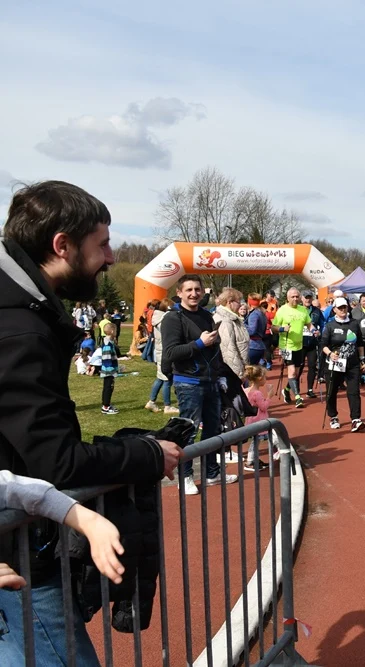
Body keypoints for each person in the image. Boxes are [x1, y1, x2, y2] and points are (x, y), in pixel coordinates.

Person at [0, 180, 182, 666]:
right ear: (62, 245)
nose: (110, 257)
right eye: (102, 244)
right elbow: (56, 461)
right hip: (22, 561)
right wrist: (147, 453)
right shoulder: (20, 331)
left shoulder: (24, 312)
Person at [162, 274, 237, 495]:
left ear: (203, 292)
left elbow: (214, 347)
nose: (194, 294)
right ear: (179, 293)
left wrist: (220, 374)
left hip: (211, 380)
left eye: (197, 289)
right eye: (189, 290)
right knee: (190, 431)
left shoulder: (206, 315)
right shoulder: (173, 318)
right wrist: (199, 343)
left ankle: (211, 472)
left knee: (213, 429)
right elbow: (170, 353)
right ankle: (185, 476)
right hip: (188, 382)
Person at [321, 297, 365, 432]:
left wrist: (362, 359)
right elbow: (323, 345)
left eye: (344, 307)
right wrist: (330, 354)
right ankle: (333, 416)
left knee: (354, 391)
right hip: (335, 363)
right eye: (340, 308)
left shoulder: (354, 323)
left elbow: (360, 343)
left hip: (352, 363)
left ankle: (356, 419)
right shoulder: (330, 326)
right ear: (334, 309)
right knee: (331, 391)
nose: (342, 310)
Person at [272, 288, 312, 408]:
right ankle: (298, 397)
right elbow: (273, 327)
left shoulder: (302, 309)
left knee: (297, 372)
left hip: (299, 345)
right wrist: (282, 329)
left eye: (297, 296)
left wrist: (314, 330)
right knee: (292, 371)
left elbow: (309, 324)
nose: (295, 299)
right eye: (292, 297)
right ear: (288, 298)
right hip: (286, 345)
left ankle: (286, 390)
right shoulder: (282, 310)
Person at [146, 299, 179, 414]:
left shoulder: (158, 318)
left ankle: (151, 401)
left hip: (160, 351)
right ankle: (167, 406)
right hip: (164, 352)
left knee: (160, 378)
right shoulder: (164, 319)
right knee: (167, 379)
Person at [243, 364, 274, 472]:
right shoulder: (257, 393)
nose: (266, 379)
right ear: (260, 378)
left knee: (256, 441)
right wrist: (269, 396)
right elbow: (263, 407)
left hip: (250, 420)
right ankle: (250, 461)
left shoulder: (246, 391)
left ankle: (252, 459)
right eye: (265, 377)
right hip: (258, 421)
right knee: (256, 442)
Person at [214, 287, 250, 379]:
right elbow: (229, 350)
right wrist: (239, 374)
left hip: (240, 367)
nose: (240, 304)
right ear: (229, 302)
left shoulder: (233, 319)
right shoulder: (225, 321)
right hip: (232, 372)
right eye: (238, 302)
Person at [301, 292, 326, 398]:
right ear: (302, 298)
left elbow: (323, 324)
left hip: (312, 342)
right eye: (306, 298)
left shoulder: (316, 311)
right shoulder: (298, 310)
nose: (308, 300)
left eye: (309, 298)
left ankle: (310, 390)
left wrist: (320, 332)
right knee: (300, 366)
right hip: (299, 343)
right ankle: (295, 390)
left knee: (312, 366)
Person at [99, 322, 121, 414]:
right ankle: (106, 406)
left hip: (110, 370)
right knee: (108, 388)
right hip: (108, 371)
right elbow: (106, 358)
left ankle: (106, 405)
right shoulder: (107, 344)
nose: (116, 332)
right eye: (115, 330)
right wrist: (111, 369)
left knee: (109, 388)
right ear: (112, 331)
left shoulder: (110, 342)